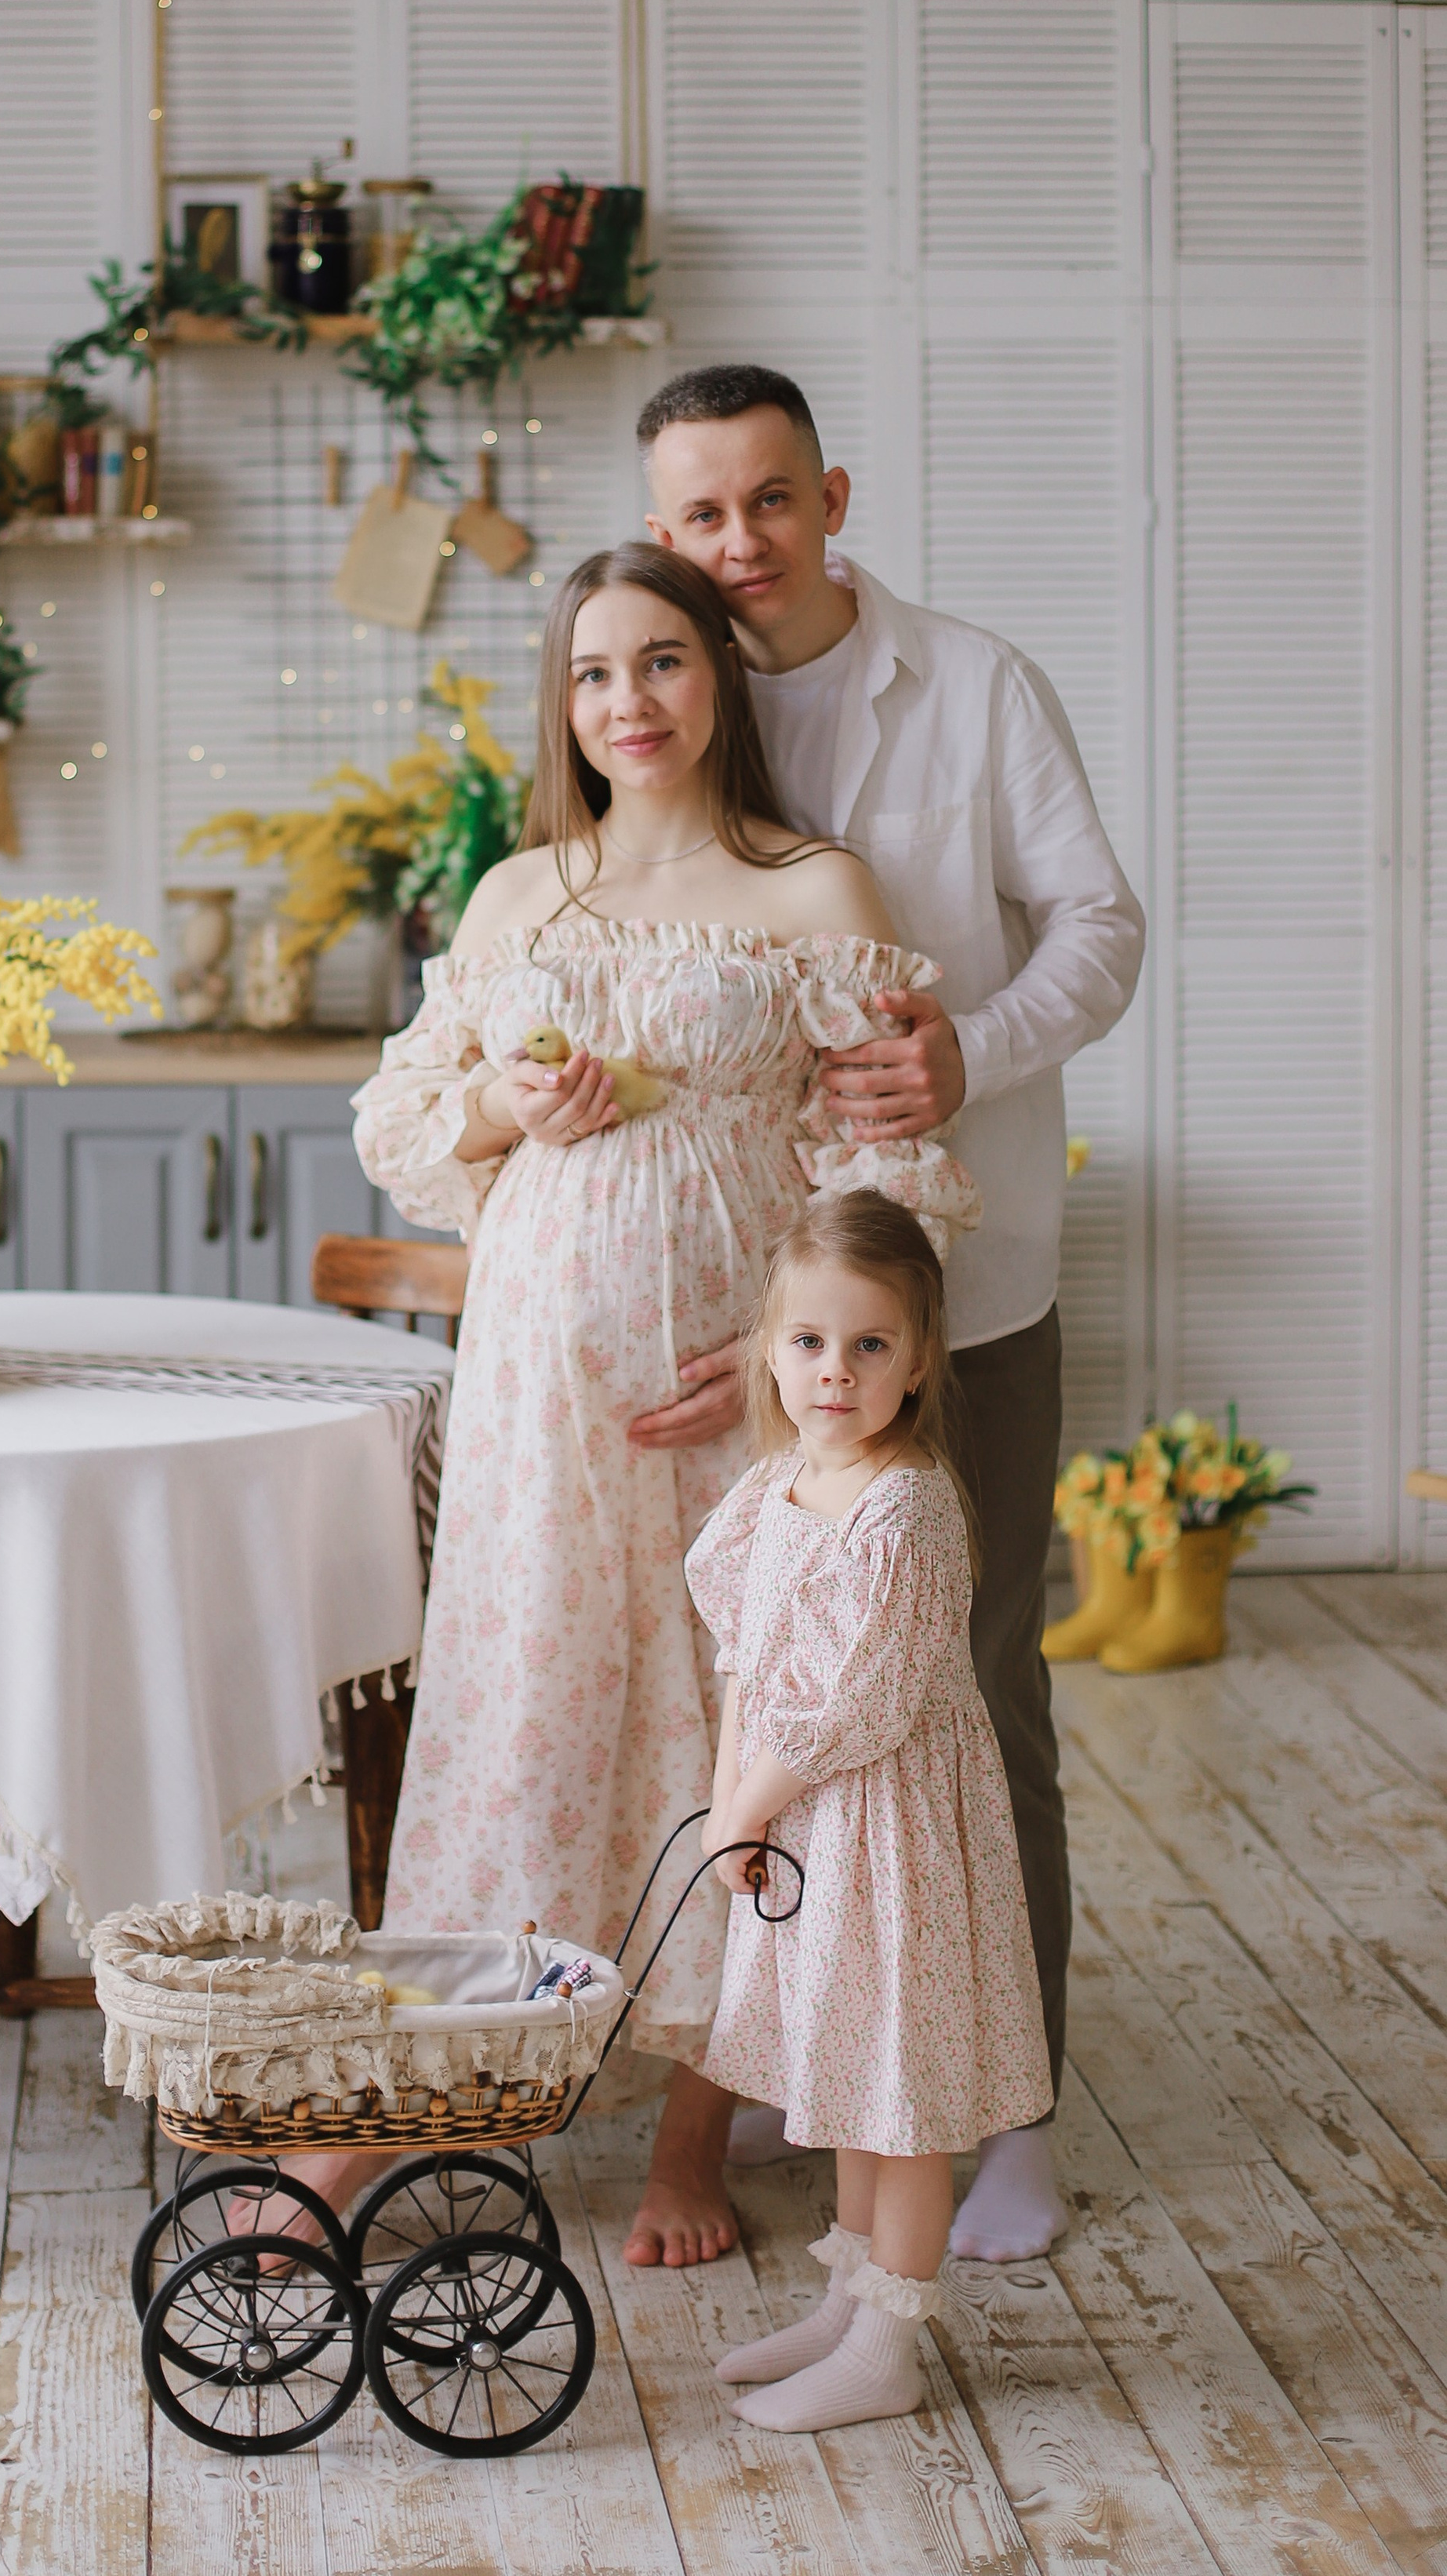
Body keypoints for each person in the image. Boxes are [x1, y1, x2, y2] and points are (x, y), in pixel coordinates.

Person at [344, 540, 981, 2269]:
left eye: (662, 663)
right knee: (516, 1709)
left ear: (720, 677)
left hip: (738, 1382)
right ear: (560, 705)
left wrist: (791, 1372)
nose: (627, 702)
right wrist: (503, 1101)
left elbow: (884, 1177)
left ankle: (697, 2128)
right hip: (537, 1389)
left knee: (729, 1731)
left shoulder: (811, 894)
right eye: (591, 674)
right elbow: (401, 1127)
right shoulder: (514, 898)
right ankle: (429, 2095)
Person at [635, 361, 1144, 2261]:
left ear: (830, 497)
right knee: (784, 1697)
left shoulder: (976, 686)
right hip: (759, 1306)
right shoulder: (659, 699)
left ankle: (1007, 2109)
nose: (736, 544)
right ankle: (828, 2068)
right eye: (699, 513)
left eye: (767, 501)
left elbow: (1096, 924)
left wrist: (972, 1052)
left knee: (971, 1681)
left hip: (965, 1282)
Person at [690, 1190, 1050, 2431]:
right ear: (771, 1351)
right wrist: (730, 1794)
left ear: (920, 1359)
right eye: (808, 1343)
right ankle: (851, 2302)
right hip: (803, 1819)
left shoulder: (907, 1508)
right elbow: (745, 1654)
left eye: (869, 1345)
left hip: (888, 1829)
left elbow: (861, 1702)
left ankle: (891, 2343)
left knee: (900, 2091)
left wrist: (754, 1805)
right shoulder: (780, 1486)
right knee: (843, 2066)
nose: (833, 1372)